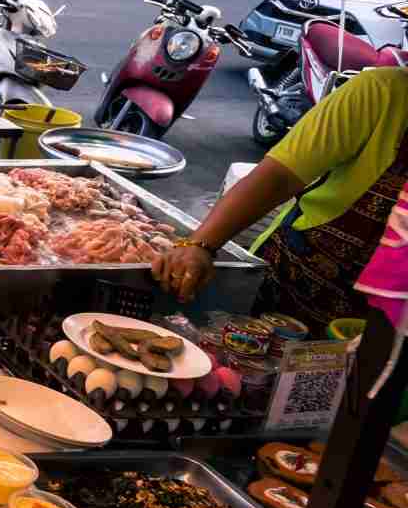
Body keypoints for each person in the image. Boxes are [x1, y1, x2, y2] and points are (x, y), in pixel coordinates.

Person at [155, 65, 408, 334]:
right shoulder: (382, 91)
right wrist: (200, 245)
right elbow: (280, 176)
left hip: (381, 326)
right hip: (293, 279)